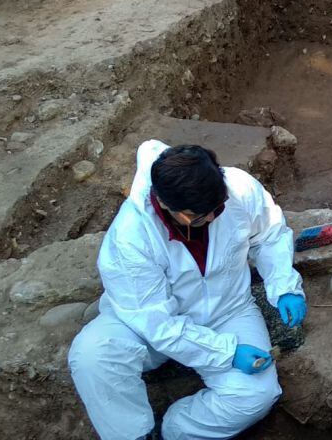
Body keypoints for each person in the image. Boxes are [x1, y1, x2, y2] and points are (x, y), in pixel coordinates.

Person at [68, 141, 307, 440]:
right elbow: (159, 325)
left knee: (256, 395)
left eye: (217, 210)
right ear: (165, 204)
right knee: (92, 356)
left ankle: (178, 430)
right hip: (145, 326)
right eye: (197, 216)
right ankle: (134, 434)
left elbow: (270, 234)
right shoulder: (130, 239)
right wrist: (226, 352)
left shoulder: (237, 188)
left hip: (228, 310)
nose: (210, 219)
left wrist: (284, 285)